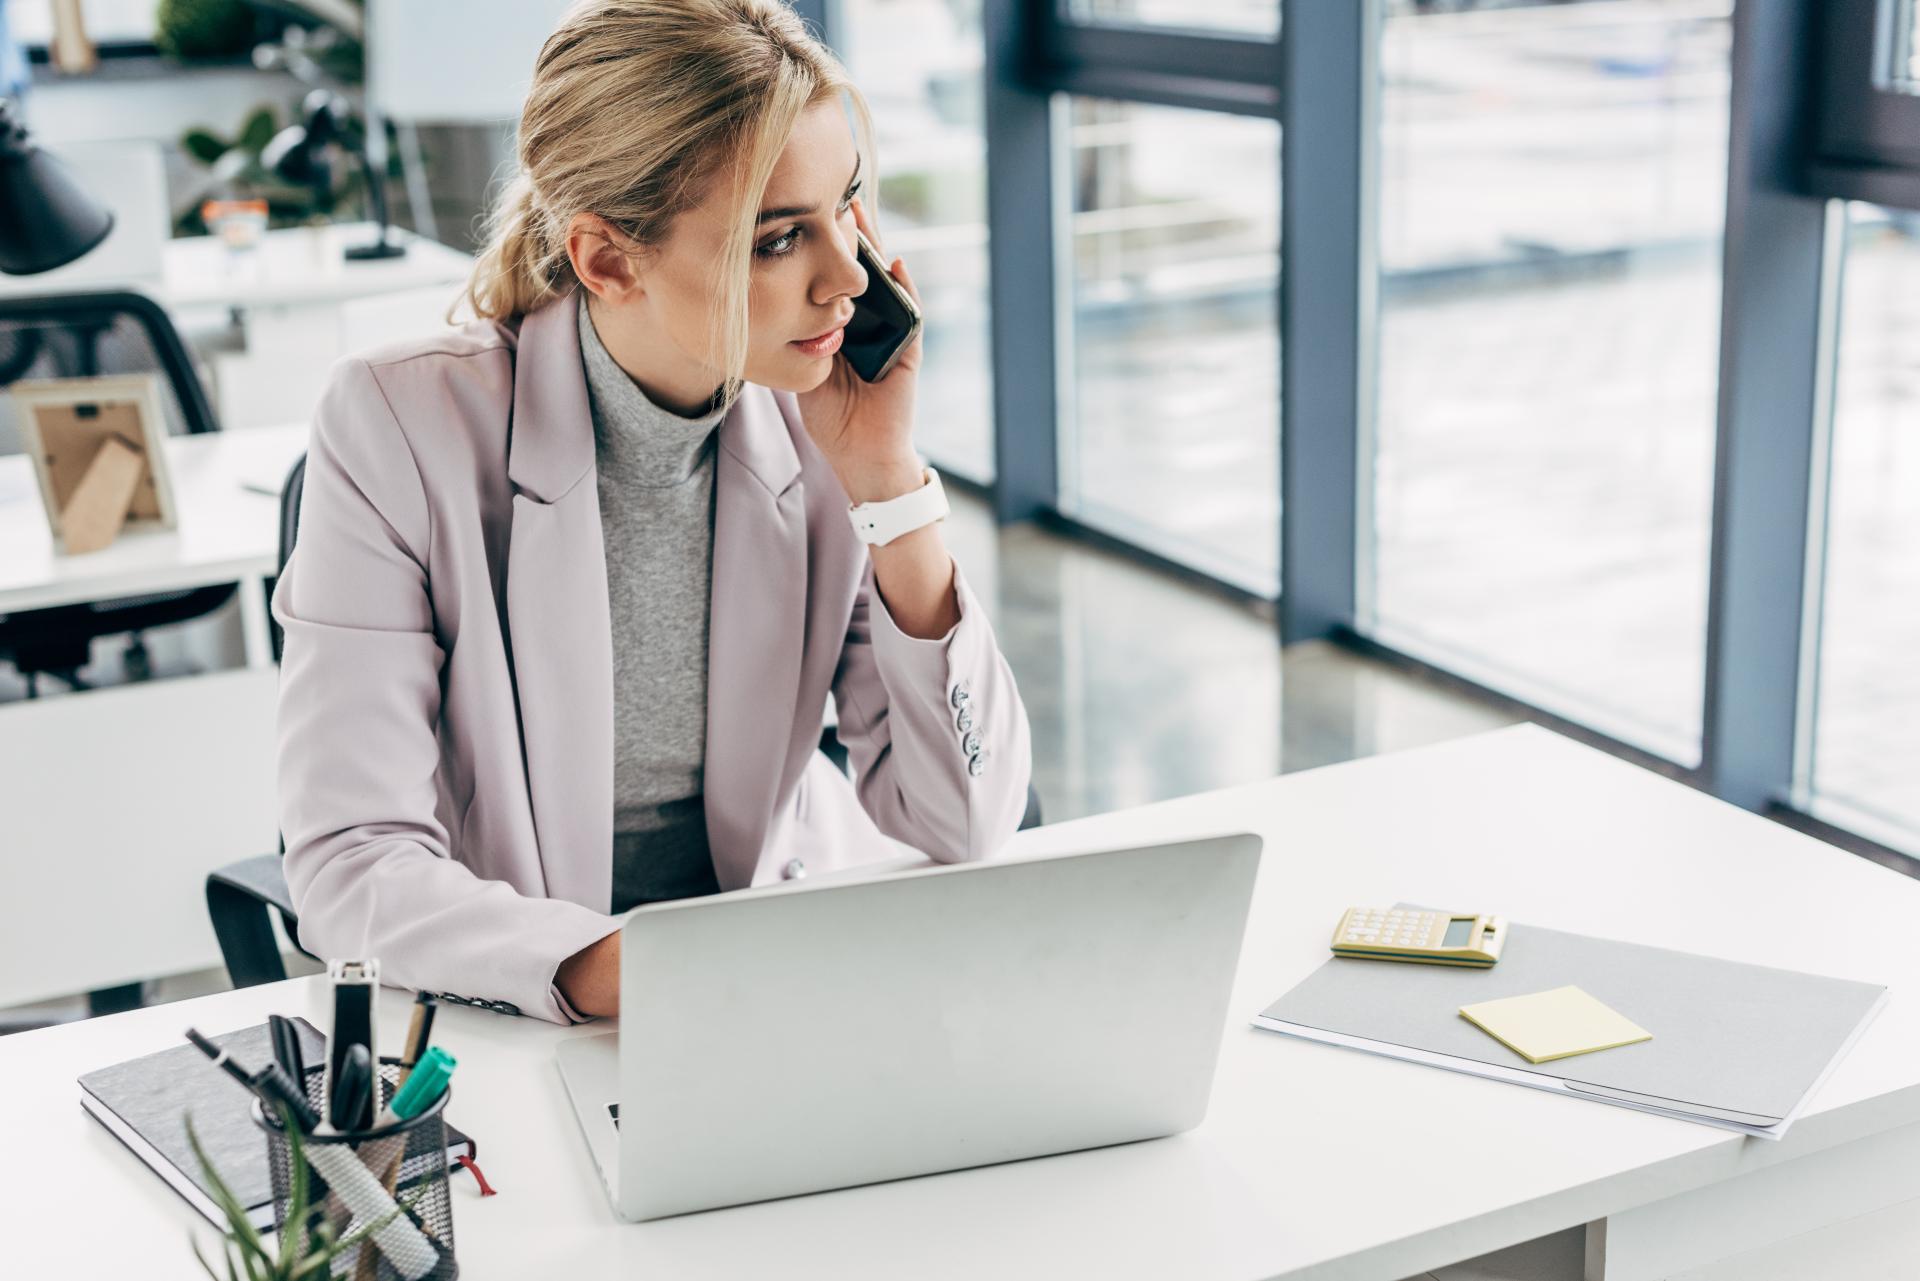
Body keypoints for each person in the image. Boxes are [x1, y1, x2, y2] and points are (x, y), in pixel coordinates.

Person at [272, 0, 1033, 1025]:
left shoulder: (822, 417)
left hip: (784, 969)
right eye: (777, 240)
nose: (849, 276)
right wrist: (626, 971)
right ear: (607, 260)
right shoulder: (397, 424)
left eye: (846, 206)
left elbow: (964, 820)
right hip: (521, 999)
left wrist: (890, 483)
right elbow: (350, 862)